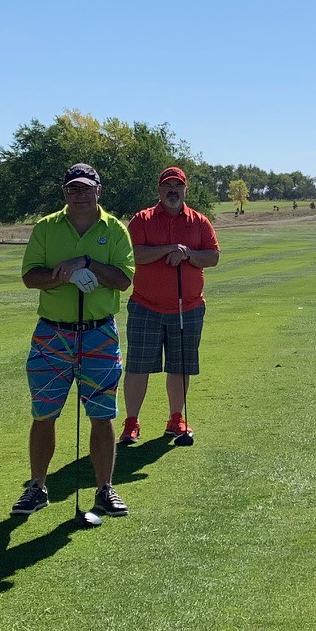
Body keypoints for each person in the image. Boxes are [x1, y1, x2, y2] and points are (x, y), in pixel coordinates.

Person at [12, 163, 136, 521]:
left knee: (102, 415)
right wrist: (61, 276)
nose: (79, 195)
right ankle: (37, 486)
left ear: (99, 190)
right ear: (64, 193)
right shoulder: (47, 228)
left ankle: (104, 490)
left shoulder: (114, 230)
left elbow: (123, 280)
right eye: (73, 189)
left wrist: (88, 263)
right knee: (44, 413)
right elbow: (29, 276)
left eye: (86, 188)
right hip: (52, 334)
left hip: (99, 332)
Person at [123, 166, 221, 443]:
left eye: (178, 186)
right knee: (138, 366)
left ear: (185, 190)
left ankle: (176, 418)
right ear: (159, 191)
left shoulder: (199, 222)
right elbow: (133, 255)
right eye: (168, 186)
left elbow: (213, 257)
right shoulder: (142, 219)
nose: (173, 191)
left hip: (187, 307)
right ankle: (132, 422)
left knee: (180, 366)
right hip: (145, 306)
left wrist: (188, 254)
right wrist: (167, 249)